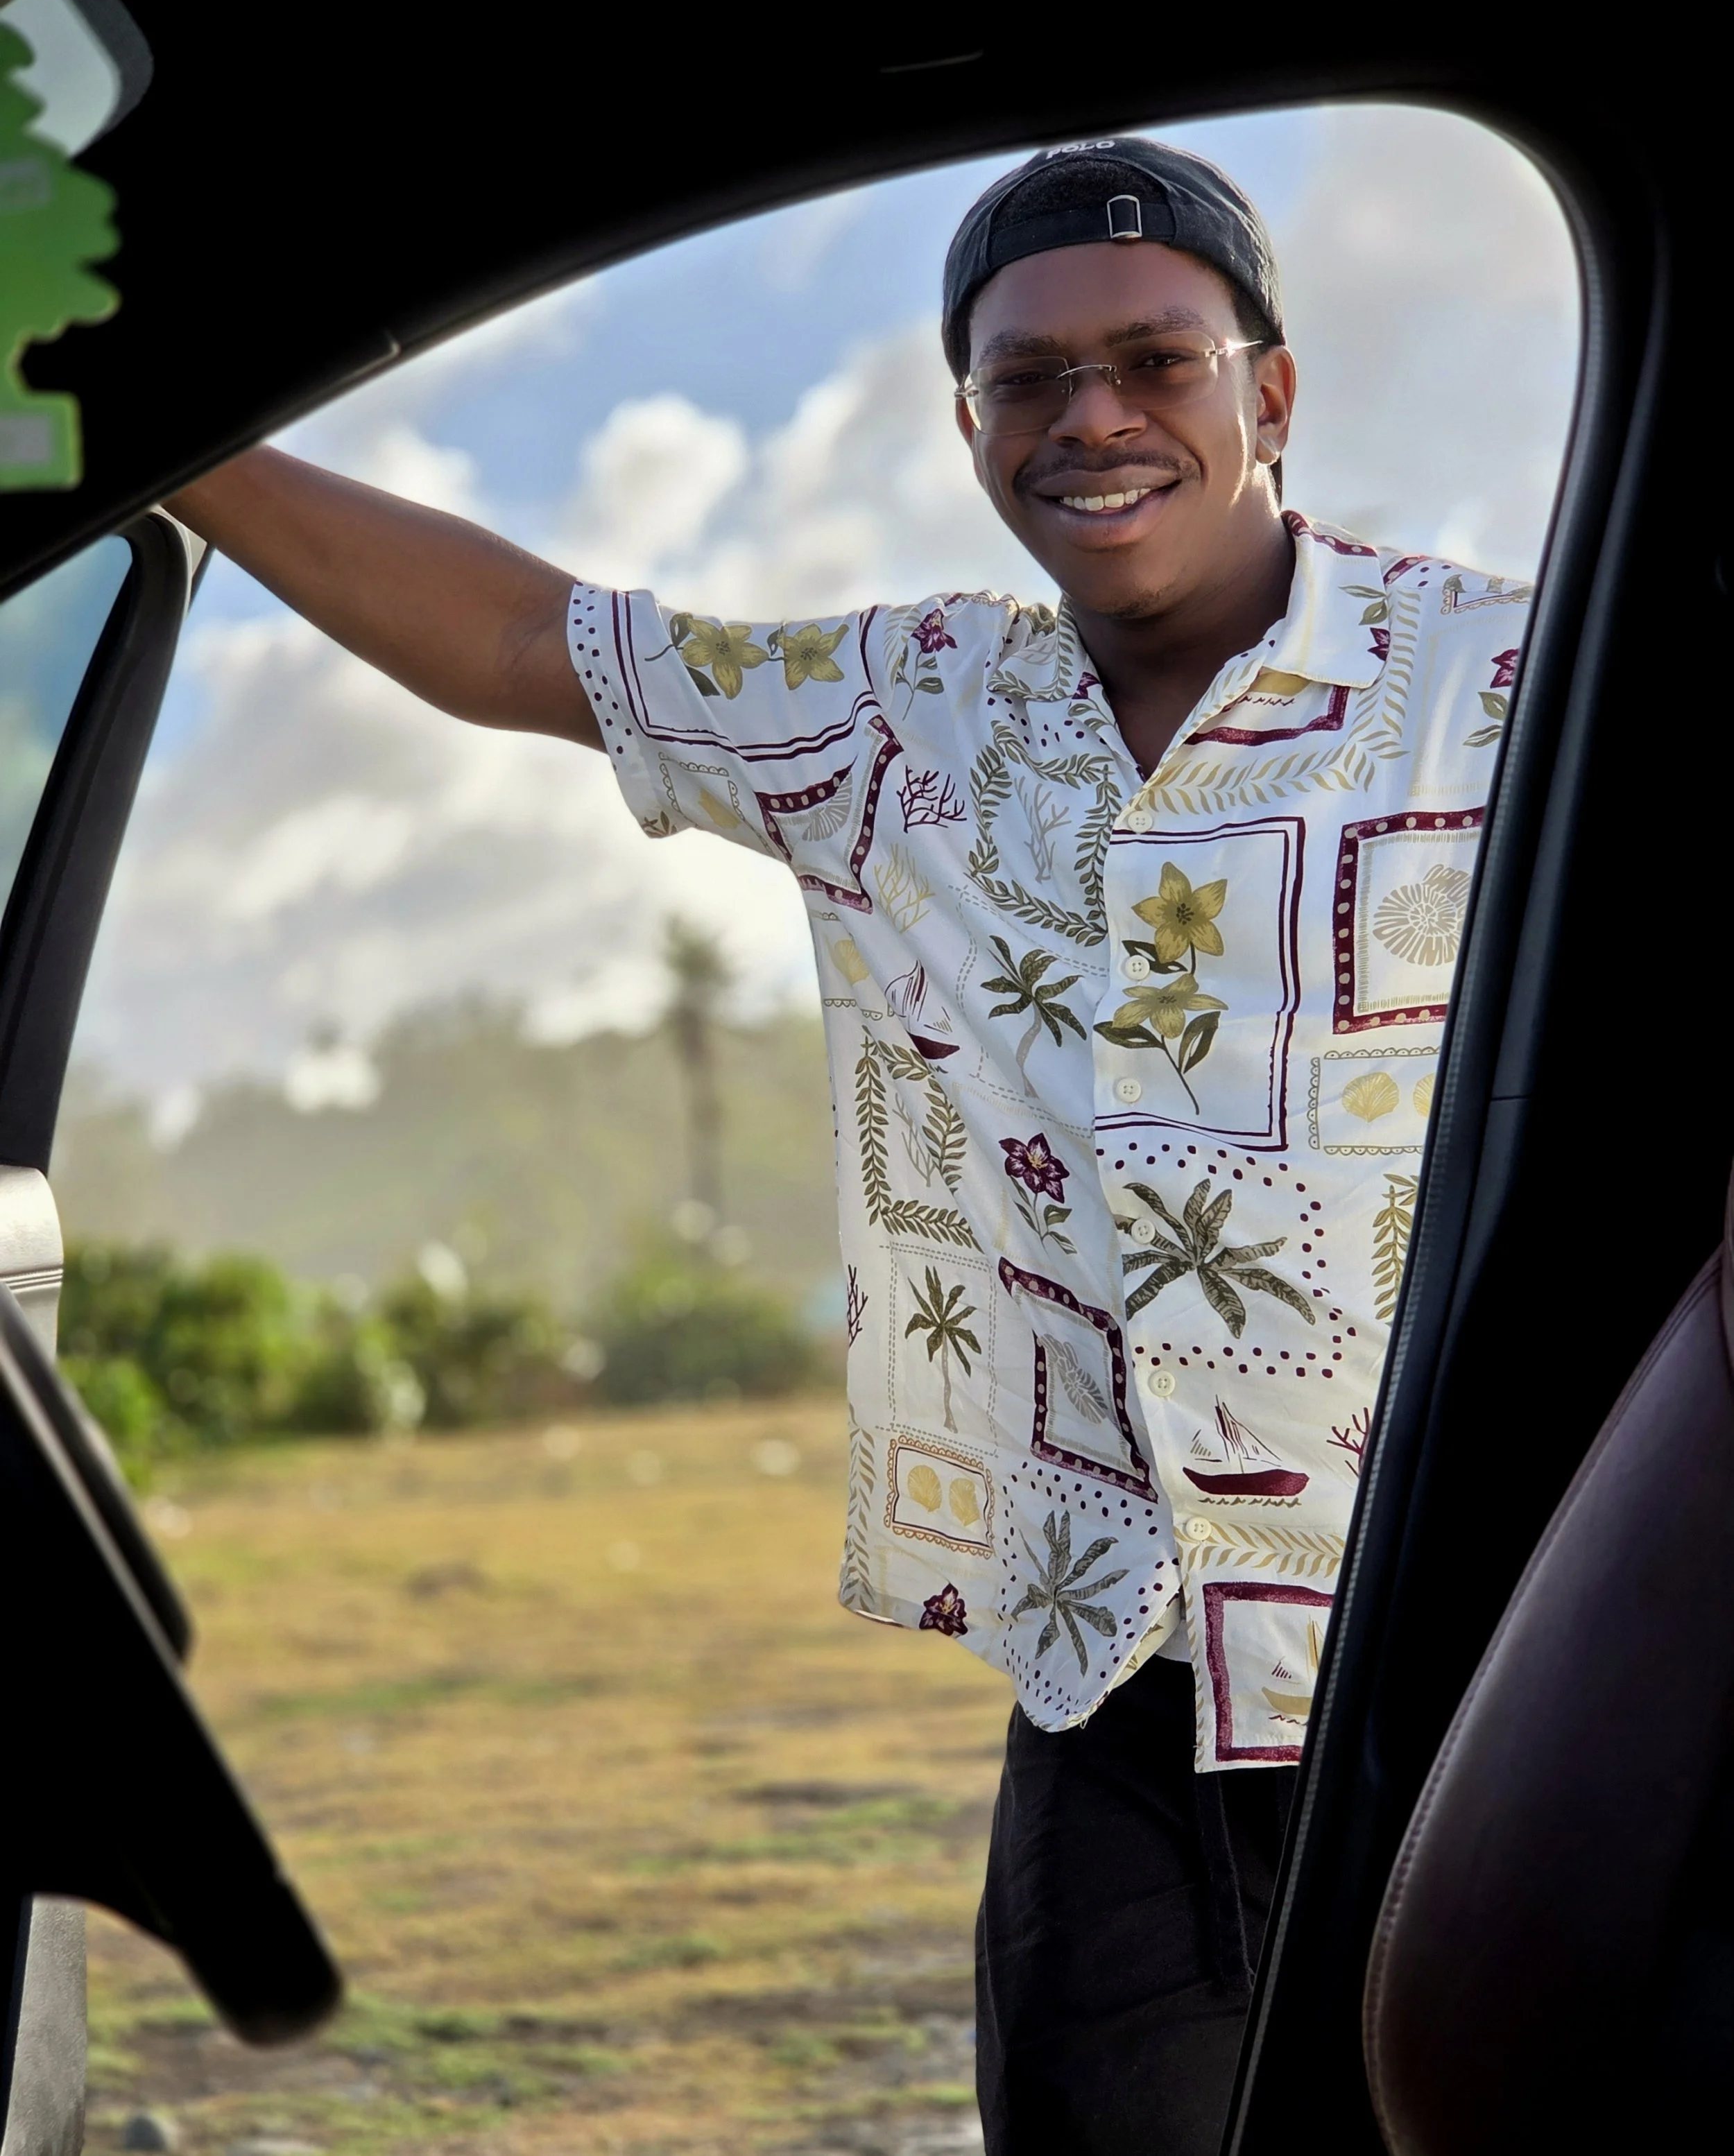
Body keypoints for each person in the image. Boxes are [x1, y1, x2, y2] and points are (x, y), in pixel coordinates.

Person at [170, 137, 1530, 2155]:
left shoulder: (1502, 682)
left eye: (1153, 360)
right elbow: (530, 644)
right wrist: (152, 433)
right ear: (965, 419)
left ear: (1271, 389)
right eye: (1025, 379)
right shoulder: (902, 716)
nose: (1091, 418)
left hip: (1465, 1634)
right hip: (1118, 1666)